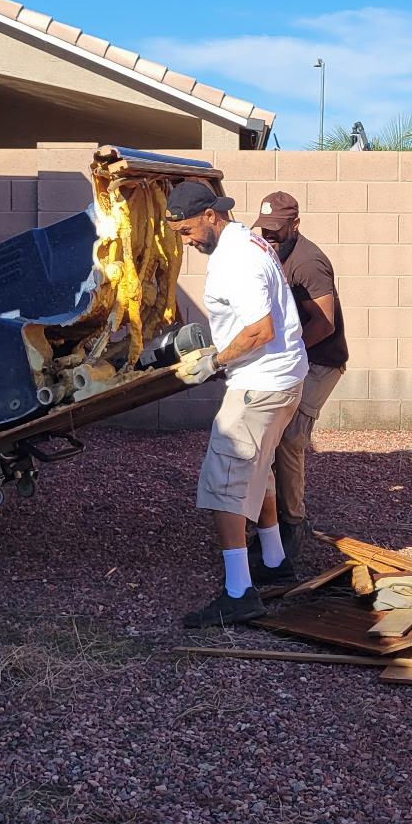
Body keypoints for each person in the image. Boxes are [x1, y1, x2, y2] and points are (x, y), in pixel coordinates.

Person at [164, 179, 307, 627]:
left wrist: (214, 361)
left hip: (259, 384)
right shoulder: (250, 242)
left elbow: (260, 329)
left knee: (223, 483)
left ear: (210, 215)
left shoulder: (235, 259)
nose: (185, 242)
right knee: (257, 469)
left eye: (187, 231)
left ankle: (239, 591)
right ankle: (274, 559)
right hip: (282, 378)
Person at [252, 191, 347, 569]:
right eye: (265, 229)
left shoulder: (309, 262)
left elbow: (324, 325)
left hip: (320, 360)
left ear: (295, 224)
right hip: (289, 359)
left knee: (290, 438)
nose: (270, 236)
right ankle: (266, 521)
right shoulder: (266, 252)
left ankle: (293, 523)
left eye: (277, 229)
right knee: (264, 434)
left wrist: (283, 354)